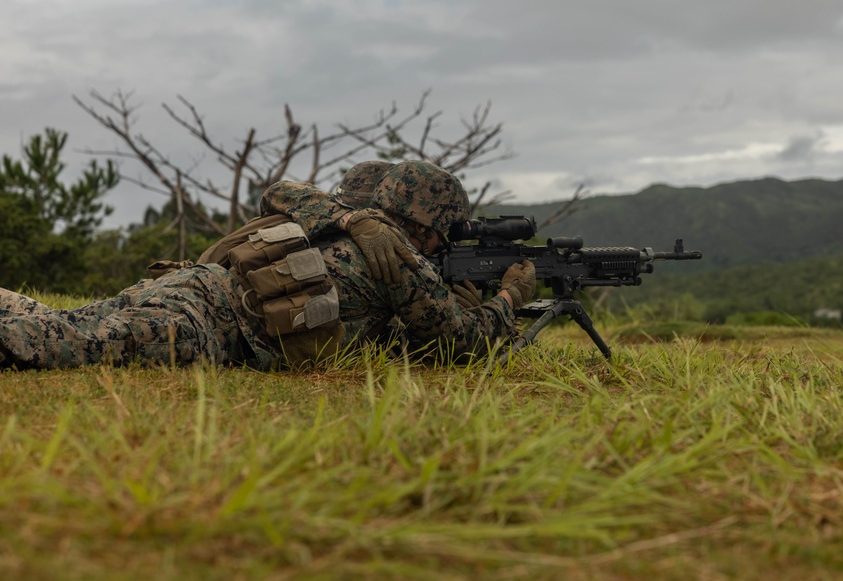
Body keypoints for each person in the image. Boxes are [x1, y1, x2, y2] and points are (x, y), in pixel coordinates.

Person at [0, 161, 534, 371]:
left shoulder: (342, 225)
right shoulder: (398, 256)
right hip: (212, 324)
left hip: (199, 282)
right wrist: (510, 296)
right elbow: (459, 345)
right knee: (77, 345)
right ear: (431, 223)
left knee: (76, 324)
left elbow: (403, 334)